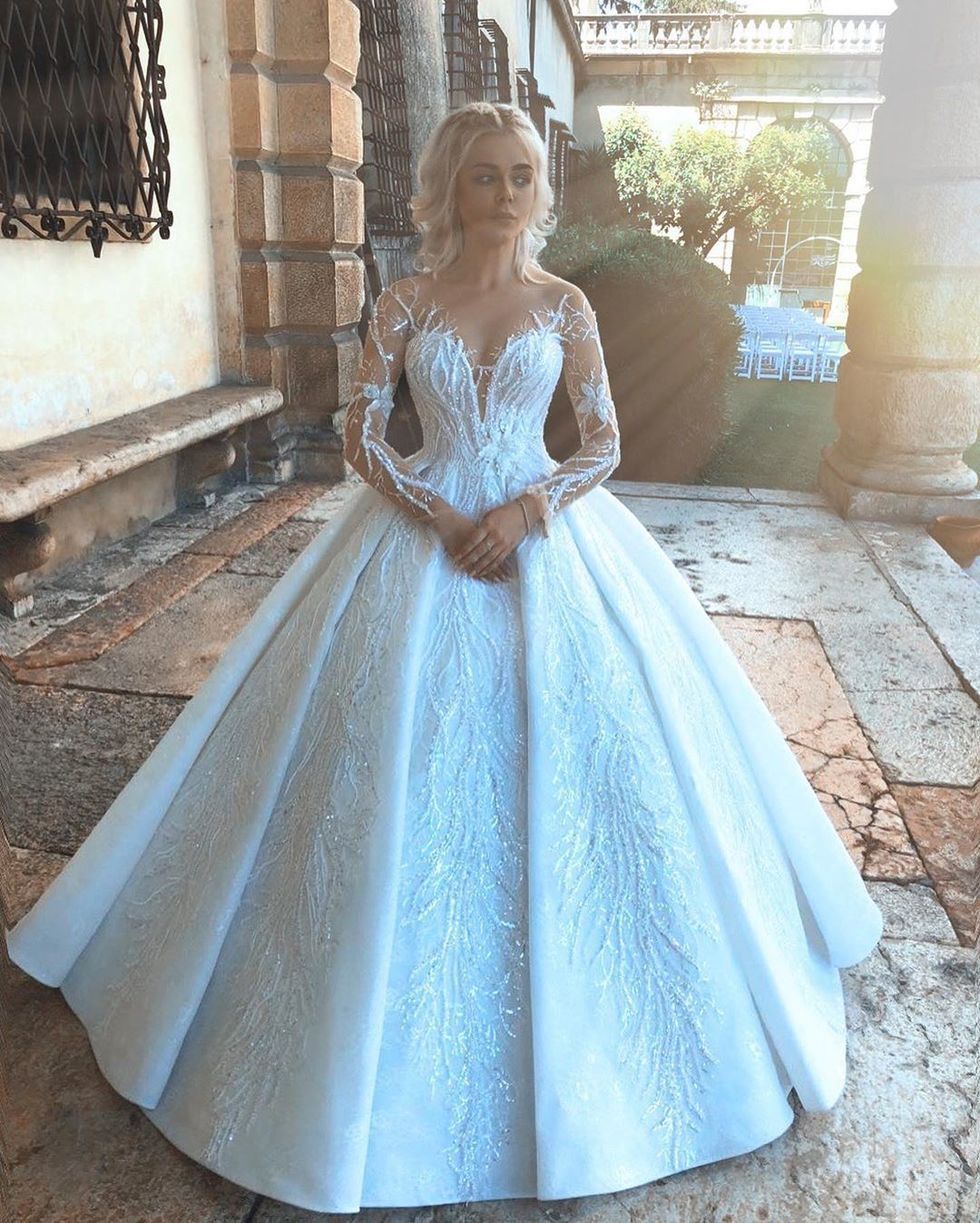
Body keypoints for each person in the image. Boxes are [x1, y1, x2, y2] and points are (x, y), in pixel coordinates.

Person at [5, 101, 883, 1214]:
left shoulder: (564, 306)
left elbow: (602, 442)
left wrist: (524, 511)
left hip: (543, 535)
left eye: (520, 174)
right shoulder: (405, 301)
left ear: (537, 188)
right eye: (484, 175)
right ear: (449, 188)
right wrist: (440, 511)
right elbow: (361, 432)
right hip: (416, 534)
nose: (505, 193)